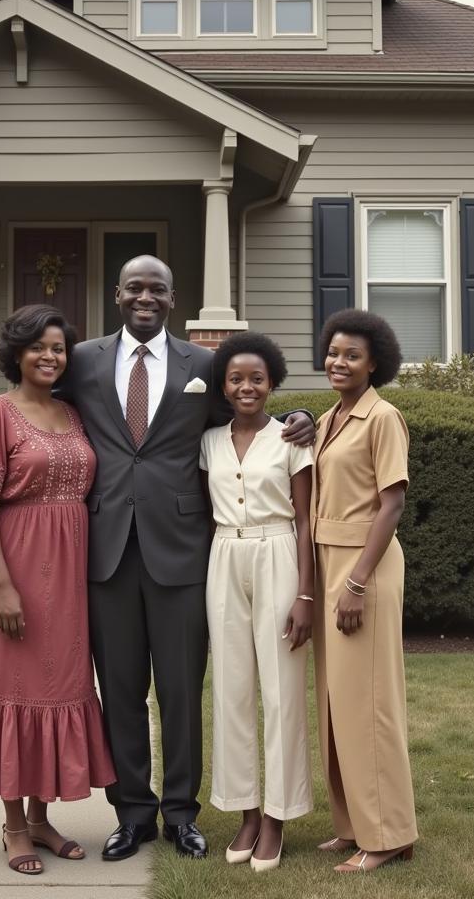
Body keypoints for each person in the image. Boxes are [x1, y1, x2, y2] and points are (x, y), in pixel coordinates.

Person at [0, 256, 315, 862]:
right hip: (100, 556)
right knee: (120, 690)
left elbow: (246, 413)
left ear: (172, 299)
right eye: (135, 287)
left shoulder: (205, 366)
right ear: (117, 294)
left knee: (181, 691)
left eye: (157, 289)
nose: (145, 297)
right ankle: (132, 813)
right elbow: (31, 396)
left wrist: (299, 419)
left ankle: (181, 814)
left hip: (181, 553)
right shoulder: (84, 361)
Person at [0, 304, 115, 876]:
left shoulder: (74, 414)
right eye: (38, 348)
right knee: (15, 689)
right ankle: (14, 826)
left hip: (69, 579)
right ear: (16, 355)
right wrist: (2, 586)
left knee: (59, 688)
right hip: (17, 566)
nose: (50, 357)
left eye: (58, 348)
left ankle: (44, 818)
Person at [200, 332, 314, 872]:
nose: (247, 387)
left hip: (279, 555)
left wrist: (306, 593)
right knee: (232, 689)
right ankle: (246, 812)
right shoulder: (209, 442)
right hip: (225, 557)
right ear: (223, 386)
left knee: (283, 690)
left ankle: (278, 816)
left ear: (272, 383)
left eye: (257, 378)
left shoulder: (294, 438)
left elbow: (307, 520)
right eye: (237, 379)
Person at [310, 308, 418, 874]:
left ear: (375, 361)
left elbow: (391, 503)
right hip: (329, 561)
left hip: (363, 567)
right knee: (336, 703)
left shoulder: (383, 417)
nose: (339, 361)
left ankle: (388, 834)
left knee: (370, 702)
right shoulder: (332, 418)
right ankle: (353, 823)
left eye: (352, 354)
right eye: (333, 351)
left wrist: (355, 582)